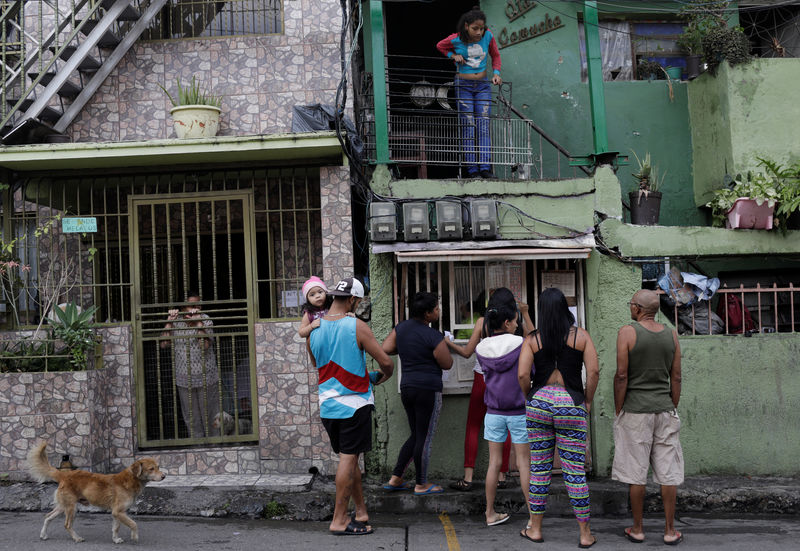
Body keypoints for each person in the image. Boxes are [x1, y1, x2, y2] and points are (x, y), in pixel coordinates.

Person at [308, 277, 393, 536]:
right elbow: (386, 362)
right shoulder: (355, 325)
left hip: (328, 406)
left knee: (350, 458)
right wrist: (382, 376)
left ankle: (360, 511)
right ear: (353, 300)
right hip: (354, 404)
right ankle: (339, 519)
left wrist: (360, 375)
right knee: (348, 460)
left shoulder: (314, 328)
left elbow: (319, 364)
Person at [518, 287, 598, 548]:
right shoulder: (581, 336)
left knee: (540, 469)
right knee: (574, 470)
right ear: (565, 309)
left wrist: (531, 396)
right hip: (571, 403)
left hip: (539, 403)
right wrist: (586, 400)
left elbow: (521, 375)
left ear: (541, 311)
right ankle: (585, 534)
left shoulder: (532, 339)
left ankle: (536, 529)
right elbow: (594, 372)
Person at [613, 289, 684, 546]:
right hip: (664, 409)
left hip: (635, 411)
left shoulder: (627, 332)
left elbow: (621, 375)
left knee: (636, 471)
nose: (630, 308)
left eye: (631, 304)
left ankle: (638, 528)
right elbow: (676, 377)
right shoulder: (672, 335)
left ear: (637, 309)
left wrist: (619, 408)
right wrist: (671, 404)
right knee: (668, 471)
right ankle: (669, 530)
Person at [447, 290, 534, 491]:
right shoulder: (514, 324)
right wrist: (525, 313)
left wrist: (447, 342)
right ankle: (502, 475)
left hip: (482, 377)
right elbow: (533, 339)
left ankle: (468, 477)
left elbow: (468, 352)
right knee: (507, 423)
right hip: (508, 381)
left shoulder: (482, 323)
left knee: (473, 426)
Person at [382, 292, 453, 495]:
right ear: (427, 314)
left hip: (408, 388)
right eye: (436, 309)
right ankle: (421, 484)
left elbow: (386, 347)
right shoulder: (433, 336)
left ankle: (396, 477)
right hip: (428, 390)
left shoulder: (401, 328)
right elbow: (447, 363)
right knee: (425, 437)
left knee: (417, 435)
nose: (438, 311)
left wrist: (407, 350)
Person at [475, 297, 529, 527]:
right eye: (516, 321)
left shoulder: (481, 347)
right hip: (519, 411)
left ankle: (489, 513)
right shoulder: (521, 344)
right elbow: (528, 373)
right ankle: (533, 518)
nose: (517, 324)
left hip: (494, 412)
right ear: (507, 322)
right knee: (525, 464)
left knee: (494, 464)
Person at [436, 6, 502, 179]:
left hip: (482, 86)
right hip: (463, 86)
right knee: (468, 126)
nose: (479, 32)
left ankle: (485, 168)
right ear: (466, 26)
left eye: (481, 28)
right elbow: (440, 46)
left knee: (483, 126)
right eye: (475, 29)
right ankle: (473, 170)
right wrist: (452, 55)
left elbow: (495, 56)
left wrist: (496, 73)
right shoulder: (456, 39)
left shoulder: (488, 36)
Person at [160, 292, 220, 438]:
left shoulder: (205, 320)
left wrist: (198, 322)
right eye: (192, 305)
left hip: (207, 377)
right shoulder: (177, 321)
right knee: (191, 417)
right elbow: (163, 343)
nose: (195, 308)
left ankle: (215, 446)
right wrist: (169, 321)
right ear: (183, 307)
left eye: (198, 305)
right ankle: (197, 447)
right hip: (184, 378)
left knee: (211, 414)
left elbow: (204, 345)